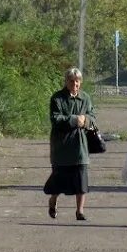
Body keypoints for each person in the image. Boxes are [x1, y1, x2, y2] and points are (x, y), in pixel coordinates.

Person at [45, 66, 96, 221]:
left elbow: (93, 116)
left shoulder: (85, 98)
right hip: (62, 146)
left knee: (81, 178)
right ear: (66, 81)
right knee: (59, 179)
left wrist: (86, 120)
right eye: (72, 81)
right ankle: (53, 200)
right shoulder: (57, 98)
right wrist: (74, 119)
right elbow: (55, 119)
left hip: (80, 145)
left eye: (78, 81)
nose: (75, 84)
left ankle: (79, 211)